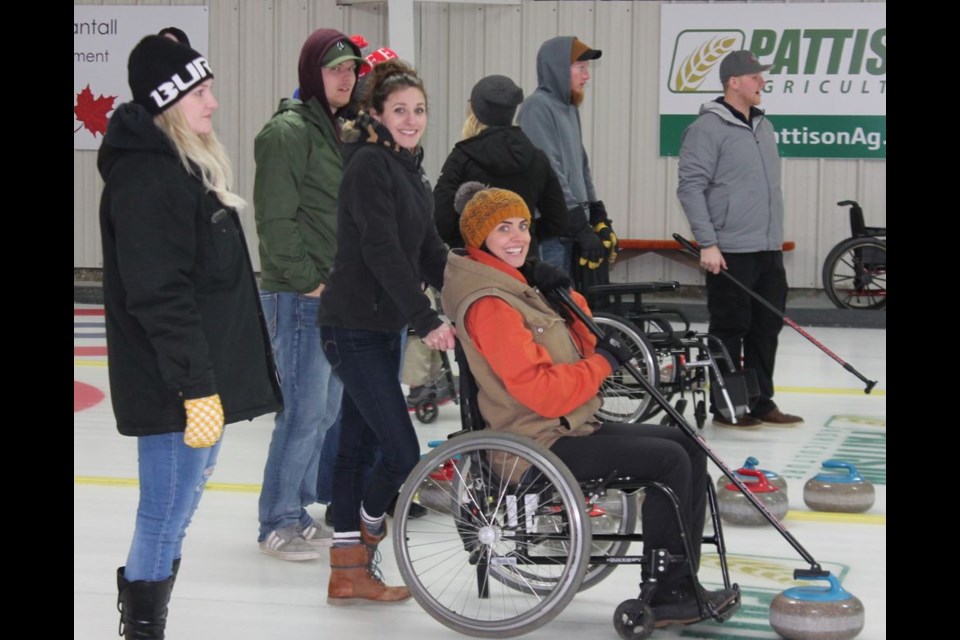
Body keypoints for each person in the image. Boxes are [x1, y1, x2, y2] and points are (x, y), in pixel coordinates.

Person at [441, 183, 739, 629]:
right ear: (479, 238)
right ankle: (666, 590)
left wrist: (564, 295)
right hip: (534, 444)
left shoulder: (514, 285)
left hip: (563, 427)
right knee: (668, 460)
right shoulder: (490, 303)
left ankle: (680, 583)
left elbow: (580, 342)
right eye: (503, 229)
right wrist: (601, 365)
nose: (517, 237)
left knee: (686, 442)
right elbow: (543, 391)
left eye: (522, 226)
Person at [99, 35, 283, 638]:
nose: (213, 103)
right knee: (163, 515)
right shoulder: (148, 179)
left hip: (195, 379)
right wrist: (197, 389)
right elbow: (159, 296)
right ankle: (143, 630)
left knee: (176, 513)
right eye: (200, 93)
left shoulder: (181, 166)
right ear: (169, 102)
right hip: (175, 386)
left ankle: (146, 621)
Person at [318, 59, 454, 604]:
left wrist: (478, 288)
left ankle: (347, 568)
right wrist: (425, 318)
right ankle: (370, 532)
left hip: (381, 327)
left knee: (356, 446)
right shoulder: (370, 166)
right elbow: (379, 250)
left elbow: (428, 250)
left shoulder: (409, 169)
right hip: (352, 327)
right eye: (399, 109)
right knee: (400, 453)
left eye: (418, 110)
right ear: (375, 113)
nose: (411, 118)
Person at [252, 28, 364, 561]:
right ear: (310, 73)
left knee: (324, 412)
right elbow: (275, 221)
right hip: (301, 294)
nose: (346, 77)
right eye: (335, 68)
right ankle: (275, 521)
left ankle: (295, 508)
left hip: (331, 292)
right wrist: (307, 281)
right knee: (300, 413)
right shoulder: (287, 133)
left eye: (351, 69)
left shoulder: (334, 130)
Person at [677, 50, 803, 429]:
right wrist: (708, 243)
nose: (761, 82)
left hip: (767, 247)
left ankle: (761, 400)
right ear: (734, 82)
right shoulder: (706, 129)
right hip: (729, 249)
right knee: (731, 328)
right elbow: (690, 187)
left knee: (766, 326)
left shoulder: (763, 125)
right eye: (754, 77)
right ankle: (728, 407)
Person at [518, 36, 618, 290]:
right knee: (556, 305)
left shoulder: (570, 108)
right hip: (555, 231)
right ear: (558, 69)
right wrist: (578, 224)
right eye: (581, 68)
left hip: (573, 224)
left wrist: (597, 215)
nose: (587, 76)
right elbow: (550, 170)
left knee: (576, 308)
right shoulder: (536, 107)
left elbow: (581, 166)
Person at [434, 74, 568, 254]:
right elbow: (557, 218)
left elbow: (441, 217)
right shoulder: (536, 158)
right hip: (523, 264)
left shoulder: (462, 157)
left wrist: (468, 243)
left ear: (475, 110)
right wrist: (527, 235)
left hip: (477, 263)